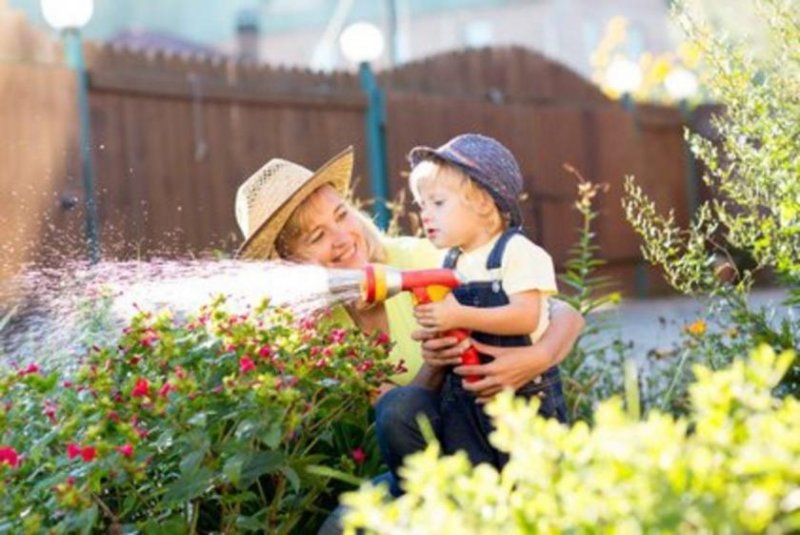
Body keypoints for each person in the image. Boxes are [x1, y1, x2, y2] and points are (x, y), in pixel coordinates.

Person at [233, 146, 583, 530]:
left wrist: (537, 357)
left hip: (503, 432)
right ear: (289, 262)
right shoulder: (316, 334)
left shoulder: (417, 259)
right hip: (427, 467)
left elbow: (562, 313)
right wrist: (435, 365)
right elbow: (399, 416)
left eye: (341, 215)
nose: (342, 238)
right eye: (317, 236)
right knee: (342, 526)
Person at [404, 133, 567, 468]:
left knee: (533, 472)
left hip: (522, 394)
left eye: (438, 203)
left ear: (482, 202)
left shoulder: (516, 252)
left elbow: (525, 316)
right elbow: (451, 324)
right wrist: (435, 333)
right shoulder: (450, 262)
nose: (425, 215)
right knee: (478, 477)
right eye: (422, 206)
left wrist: (457, 315)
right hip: (464, 397)